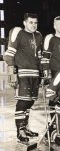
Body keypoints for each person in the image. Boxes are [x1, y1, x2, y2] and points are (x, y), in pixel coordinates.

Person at [4, 13, 43, 142]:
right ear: (24, 23)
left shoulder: (38, 36)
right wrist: (12, 72)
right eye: (31, 22)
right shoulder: (19, 33)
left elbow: (39, 57)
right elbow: (8, 55)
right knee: (23, 102)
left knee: (30, 101)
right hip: (23, 73)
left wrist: (42, 72)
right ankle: (19, 131)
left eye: (35, 23)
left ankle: (25, 127)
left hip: (35, 74)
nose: (33, 25)